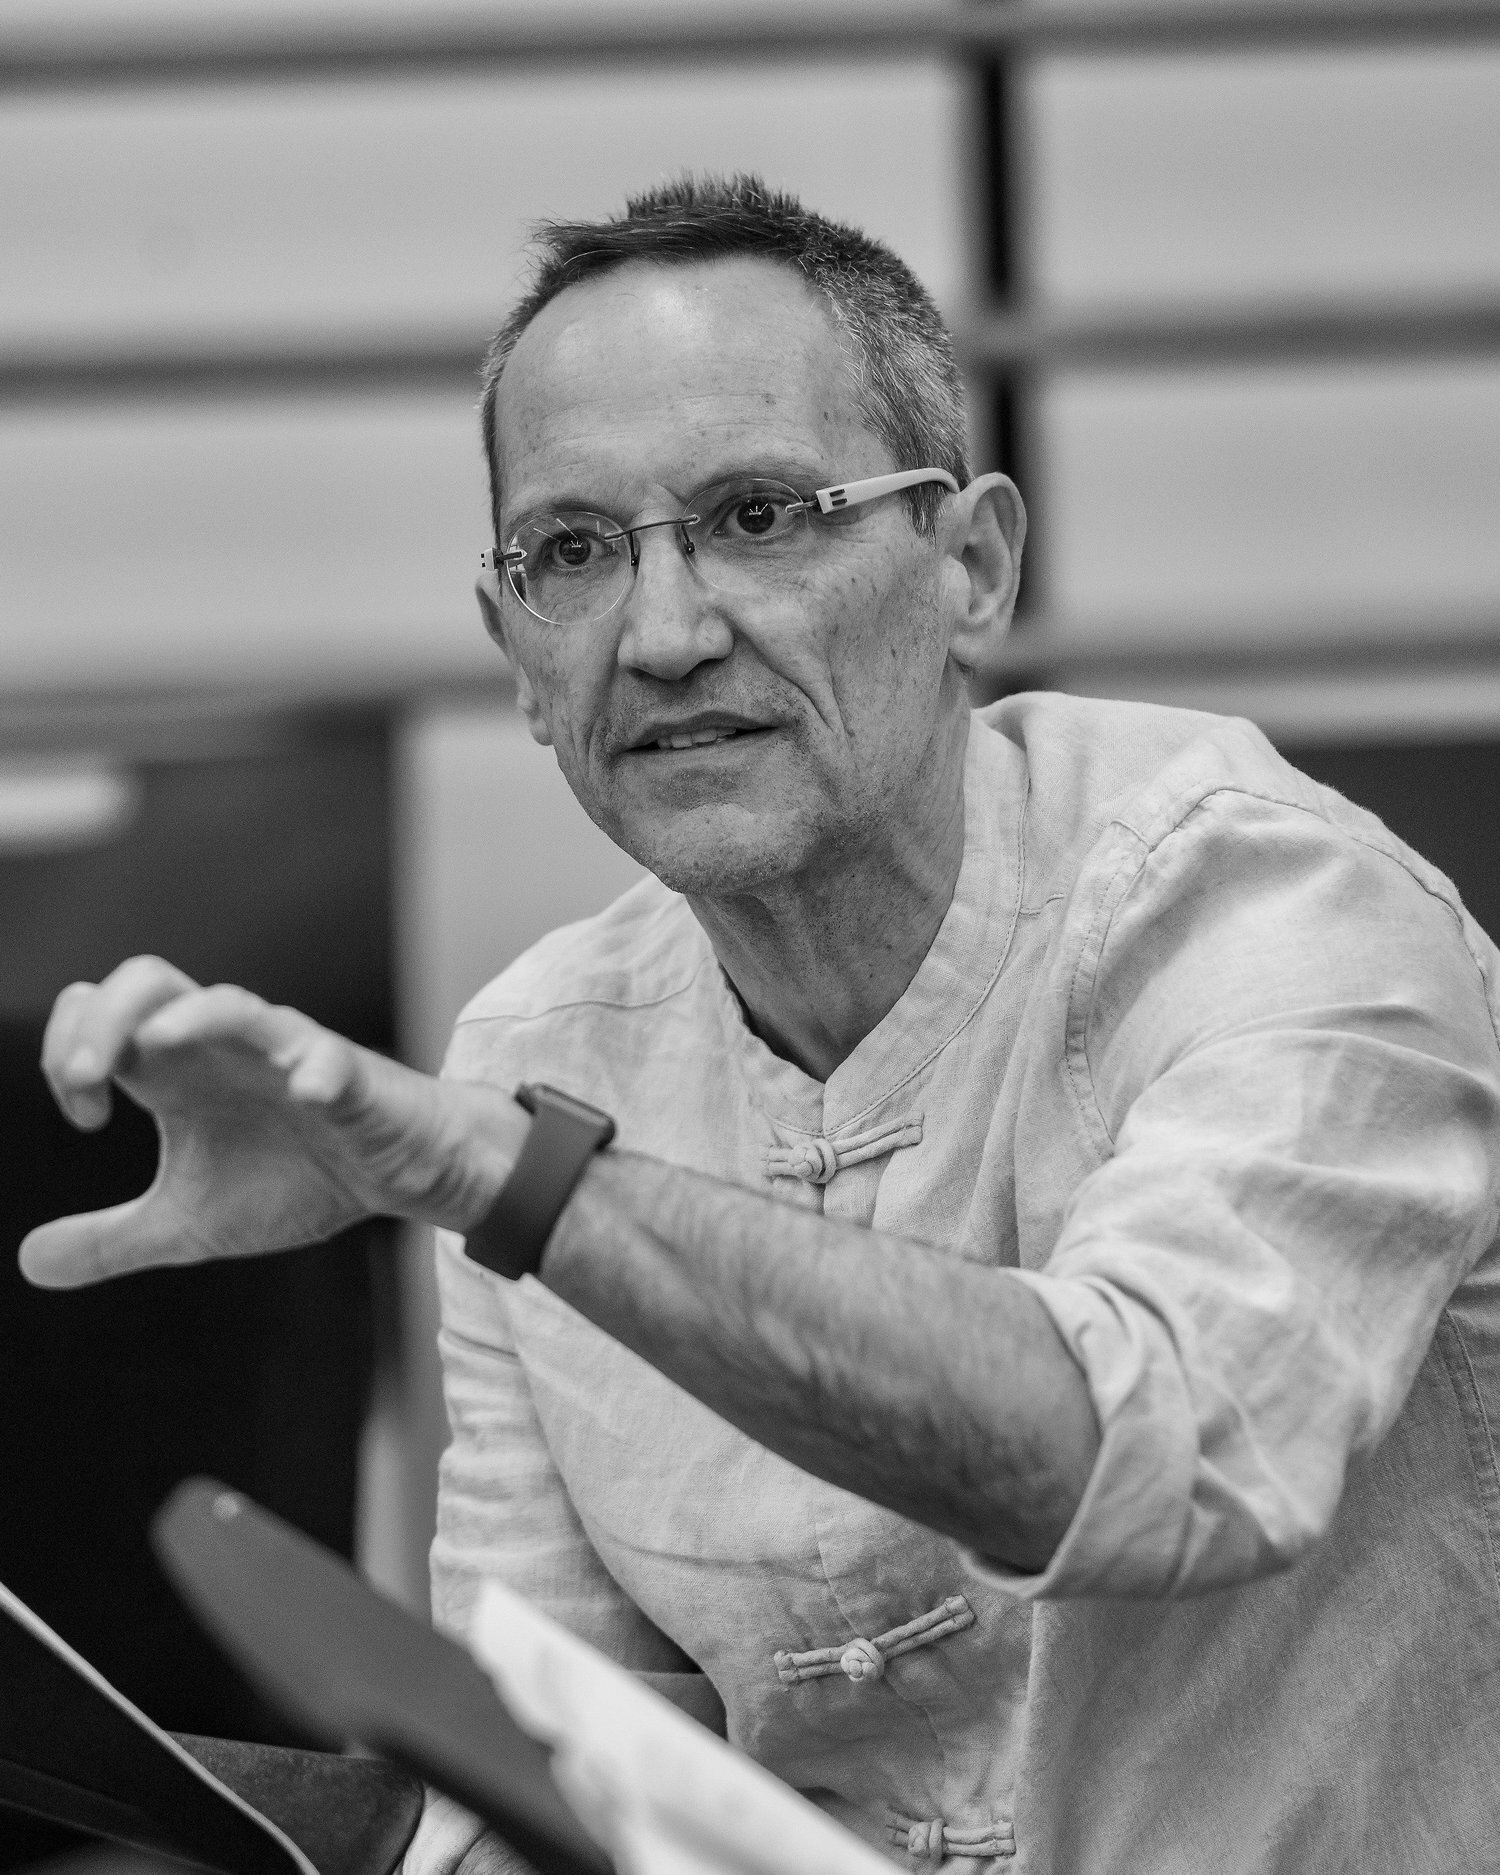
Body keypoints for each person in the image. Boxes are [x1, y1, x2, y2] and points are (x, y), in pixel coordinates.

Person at [21, 176, 1500, 1874]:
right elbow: (552, 1772)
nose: (662, 634)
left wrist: (501, 1180)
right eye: (573, 554)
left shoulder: (1272, 907)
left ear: (972, 565)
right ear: (514, 654)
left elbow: (1137, 1460)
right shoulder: (539, 1053)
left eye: (763, 516)